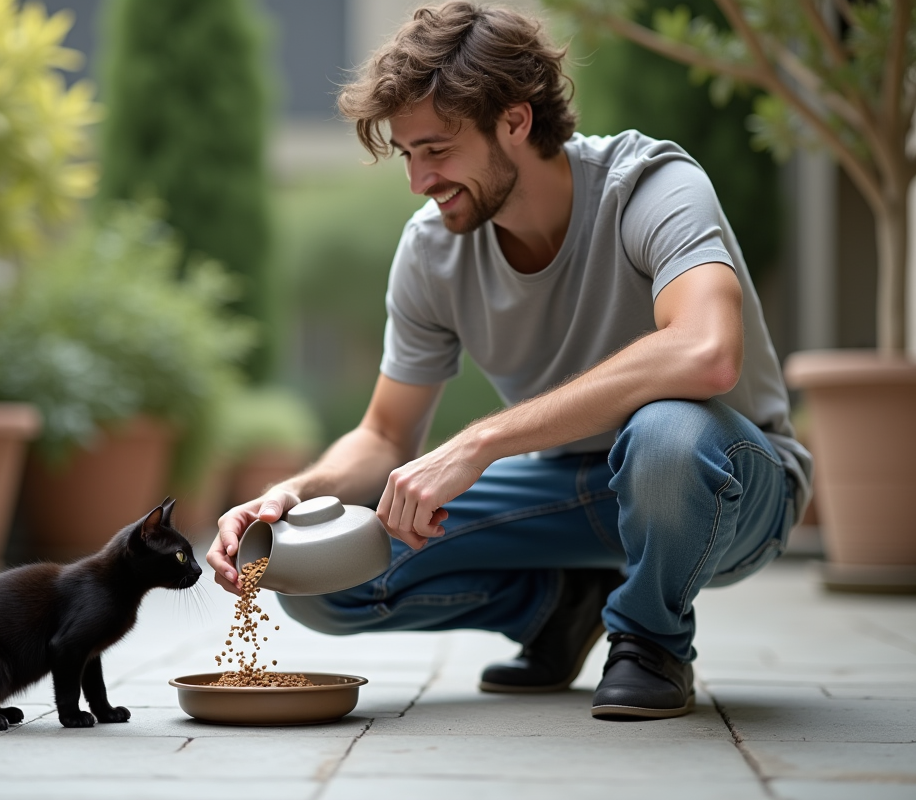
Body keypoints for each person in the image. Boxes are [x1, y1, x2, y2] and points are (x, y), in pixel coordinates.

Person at [207, 0, 811, 720]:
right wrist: (291, 494)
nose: (418, 181)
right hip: (568, 489)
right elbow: (386, 435)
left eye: (437, 150)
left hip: (724, 485)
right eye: (407, 155)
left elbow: (706, 352)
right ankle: (558, 607)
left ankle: (650, 639)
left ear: (516, 121)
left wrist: (480, 442)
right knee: (321, 578)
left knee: (666, 433)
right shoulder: (432, 249)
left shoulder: (650, 184)